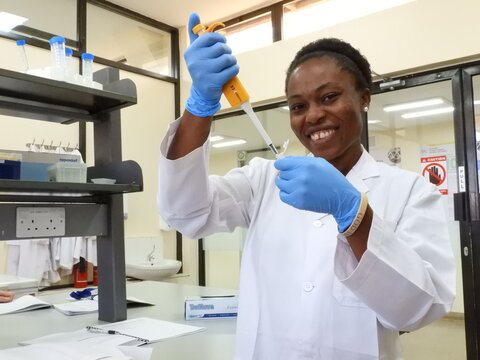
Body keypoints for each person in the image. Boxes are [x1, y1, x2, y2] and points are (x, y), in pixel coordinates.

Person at [157, 13, 456, 360]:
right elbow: (185, 213)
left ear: (364, 98)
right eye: (298, 106)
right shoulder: (262, 180)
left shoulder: (410, 191)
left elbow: (418, 310)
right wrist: (200, 106)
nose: (312, 116)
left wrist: (354, 215)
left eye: (329, 97)